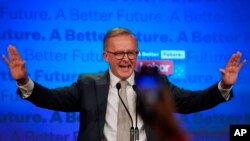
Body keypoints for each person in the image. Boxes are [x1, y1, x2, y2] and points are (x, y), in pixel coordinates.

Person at [2, 27, 246, 141]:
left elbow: (191, 102)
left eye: (131, 53)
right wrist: (24, 80)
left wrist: (223, 86)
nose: (126, 59)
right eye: (119, 53)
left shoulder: (153, 82)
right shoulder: (88, 84)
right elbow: (52, 99)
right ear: (105, 56)